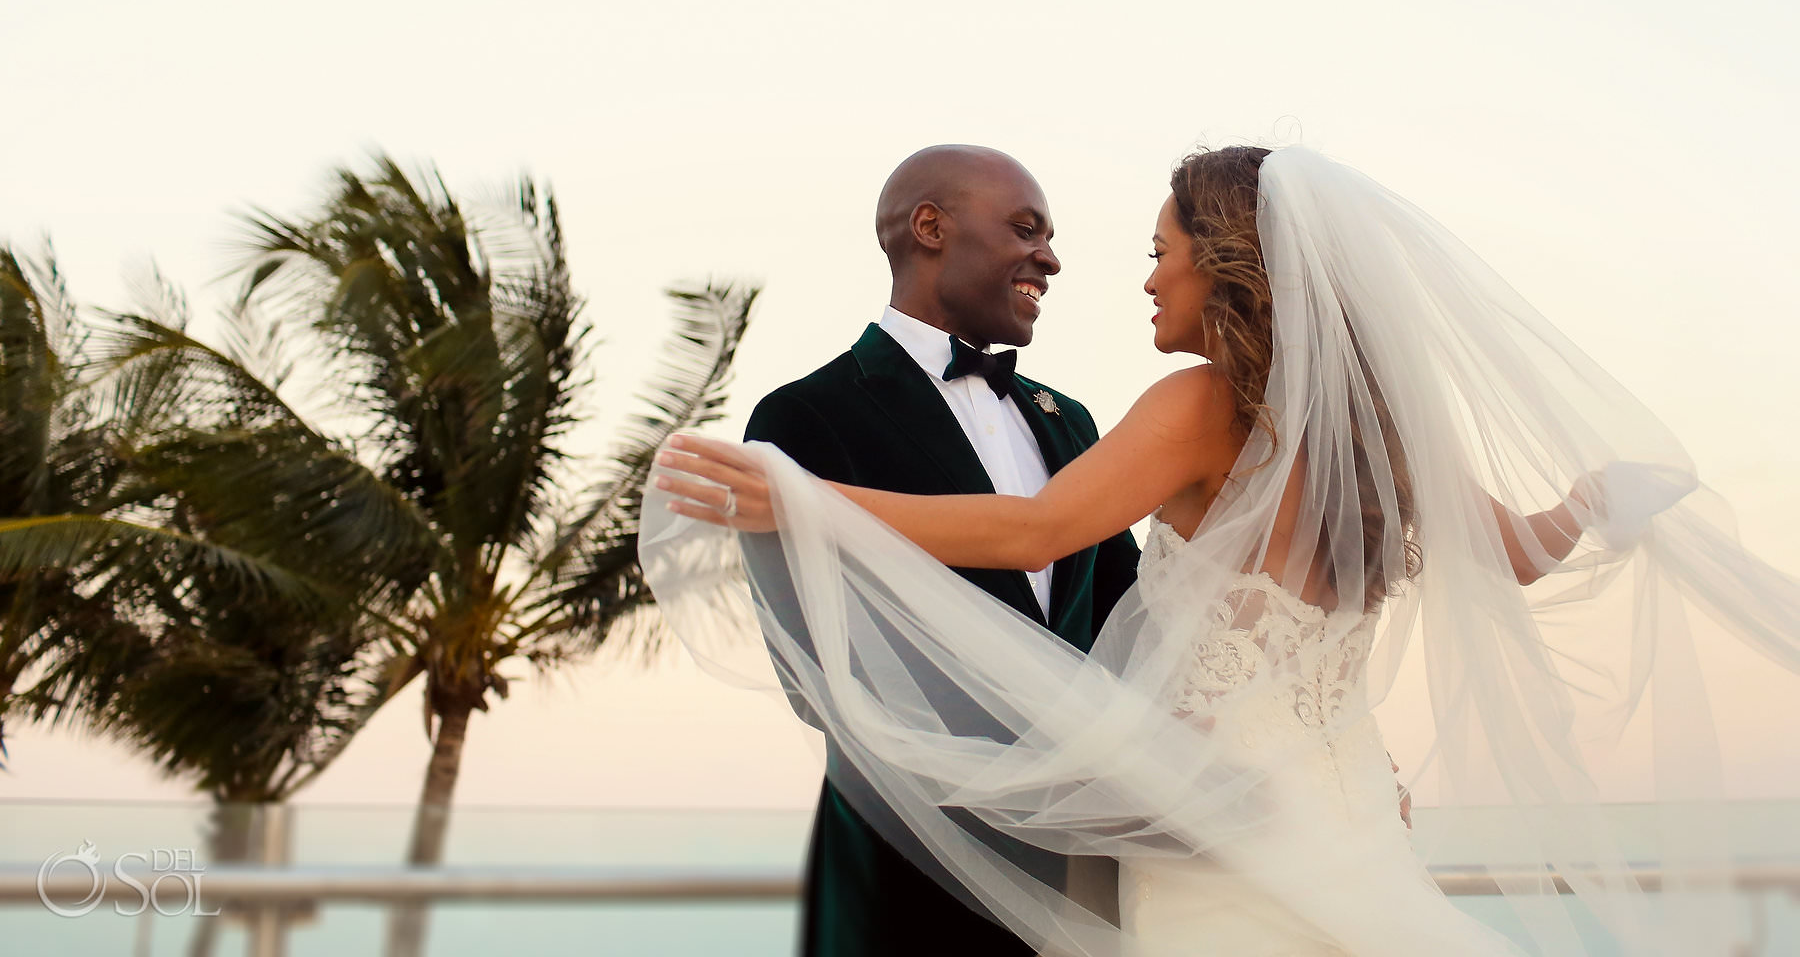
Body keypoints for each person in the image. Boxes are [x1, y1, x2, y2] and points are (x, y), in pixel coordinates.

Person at [646, 144, 1800, 955]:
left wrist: (806, 502)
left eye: (1161, 251)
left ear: (1227, 261)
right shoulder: (1379, 424)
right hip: (1341, 802)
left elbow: (1041, 531)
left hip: (1201, 820)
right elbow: (1518, 559)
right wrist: (1592, 502)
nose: (1144, 276)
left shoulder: (1193, 406)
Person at [735, 143, 1141, 957]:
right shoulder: (803, 419)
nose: (1050, 259)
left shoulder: (1072, 422)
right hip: (907, 856)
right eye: (1027, 229)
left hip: (1087, 861)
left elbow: (1135, 619)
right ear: (930, 227)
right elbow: (816, 670)